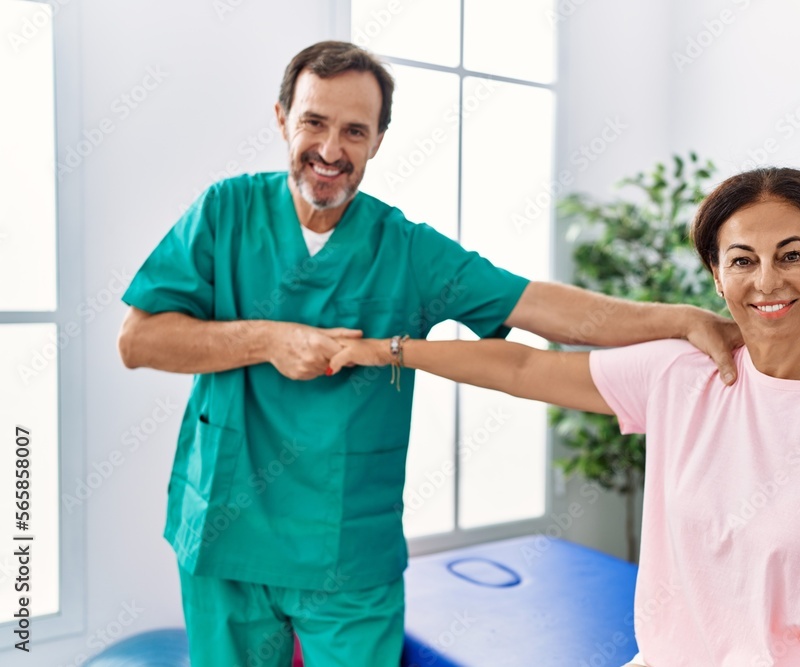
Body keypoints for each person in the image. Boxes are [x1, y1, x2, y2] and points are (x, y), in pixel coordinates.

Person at [115, 41, 741, 666]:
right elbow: (139, 340)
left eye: (355, 131)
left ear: (379, 140)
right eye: (314, 122)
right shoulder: (225, 212)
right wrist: (269, 339)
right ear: (281, 117)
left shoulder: (406, 249)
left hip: (347, 553)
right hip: (229, 532)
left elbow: (539, 306)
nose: (331, 150)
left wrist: (681, 319)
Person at [328, 167, 800, 666]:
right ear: (717, 276)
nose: (768, 281)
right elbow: (524, 369)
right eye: (743, 260)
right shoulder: (683, 374)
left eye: (792, 254)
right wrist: (388, 350)